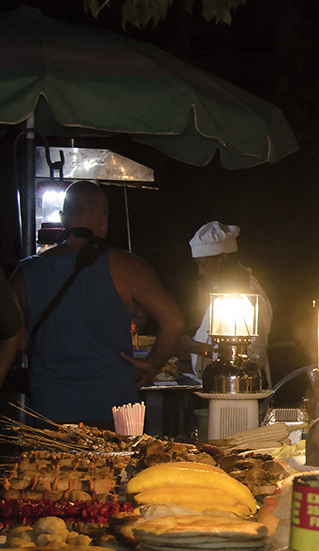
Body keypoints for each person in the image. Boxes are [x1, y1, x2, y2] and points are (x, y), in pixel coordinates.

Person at [2, 181, 184, 425]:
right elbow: (175, 322)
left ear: (63, 219)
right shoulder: (128, 266)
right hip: (114, 414)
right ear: (104, 219)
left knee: (46, 465)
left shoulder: (26, 272)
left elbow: (18, 340)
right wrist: (152, 364)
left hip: (48, 413)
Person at [182, 221, 273, 385]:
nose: (200, 272)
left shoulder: (246, 295)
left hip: (239, 390)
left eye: (203, 264)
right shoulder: (220, 294)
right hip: (215, 387)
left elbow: (252, 357)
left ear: (222, 259)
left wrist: (195, 347)